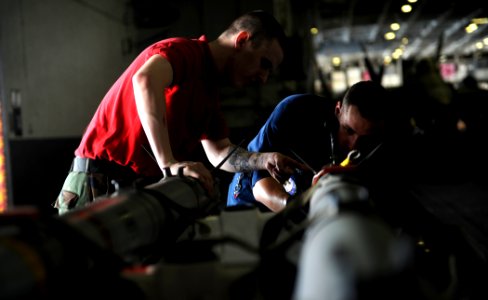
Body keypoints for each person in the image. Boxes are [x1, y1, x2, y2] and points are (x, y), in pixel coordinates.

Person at [54, 10, 304, 215]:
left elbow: (219, 153)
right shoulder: (183, 53)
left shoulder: (209, 92)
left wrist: (264, 159)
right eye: (264, 64)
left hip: (134, 190)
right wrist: (169, 163)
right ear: (241, 41)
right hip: (98, 180)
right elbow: (144, 80)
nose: (263, 78)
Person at [227, 80, 400, 212]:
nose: (353, 144)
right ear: (338, 110)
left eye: (365, 139)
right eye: (348, 130)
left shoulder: (383, 144)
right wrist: (303, 210)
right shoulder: (295, 112)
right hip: (249, 202)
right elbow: (261, 187)